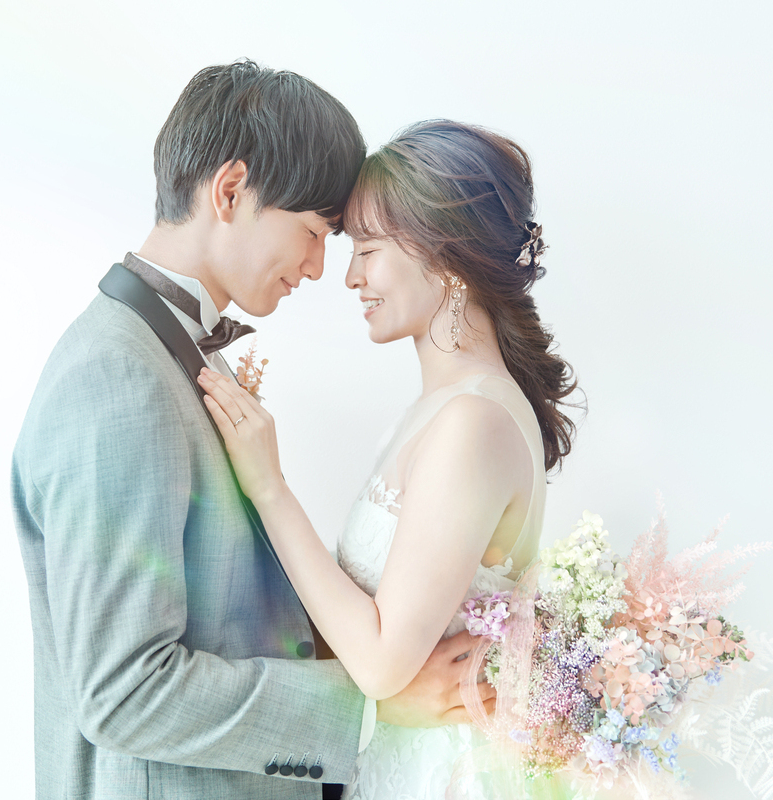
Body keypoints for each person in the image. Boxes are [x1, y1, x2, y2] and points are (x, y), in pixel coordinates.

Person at [10, 64, 493, 800]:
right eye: (313, 232)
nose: (319, 267)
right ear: (230, 190)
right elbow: (122, 691)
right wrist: (368, 708)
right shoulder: (115, 377)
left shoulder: (172, 351)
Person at [198, 119, 580, 798]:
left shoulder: (472, 422)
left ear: (447, 259)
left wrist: (269, 488)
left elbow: (379, 663)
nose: (349, 276)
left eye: (367, 250)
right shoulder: (443, 408)